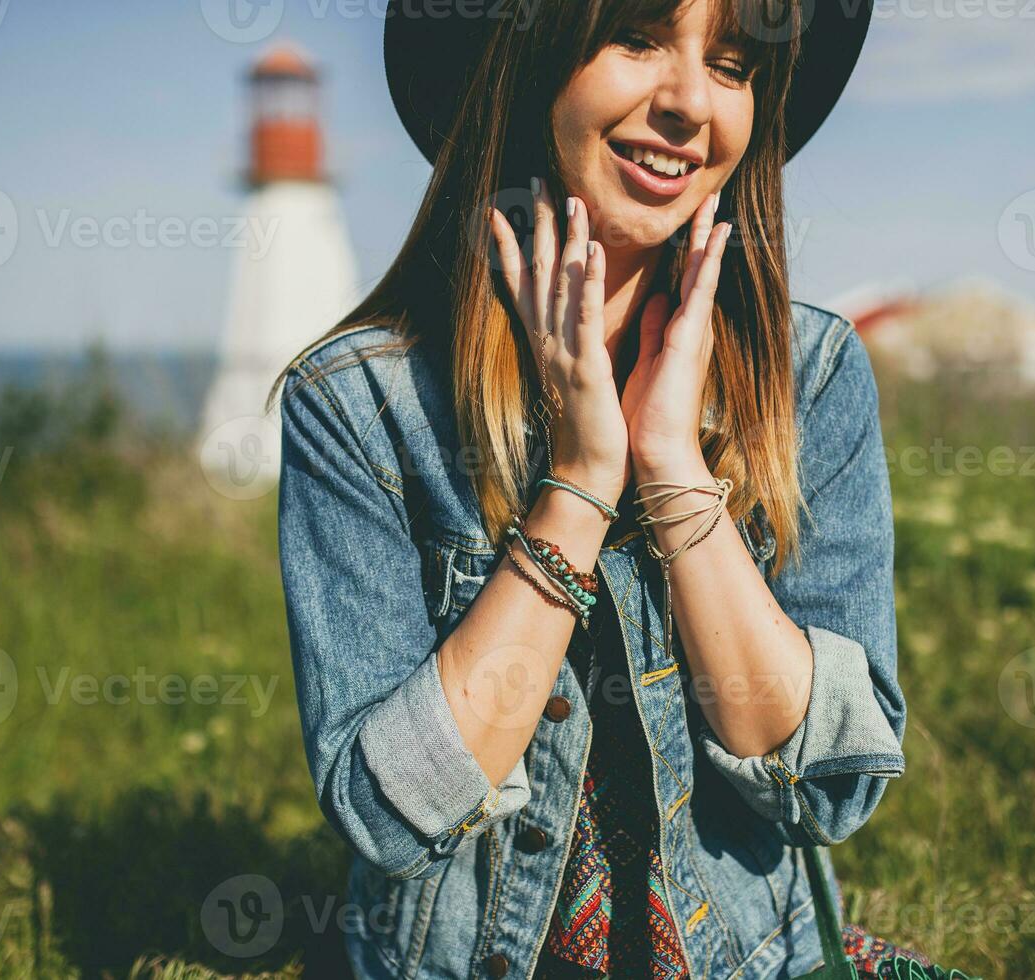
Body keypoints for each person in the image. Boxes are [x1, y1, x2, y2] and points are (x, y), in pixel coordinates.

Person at [275, 0, 949, 975]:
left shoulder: (814, 373)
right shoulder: (358, 403)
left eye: (729, 64)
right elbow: (390, 809)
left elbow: (830, 790)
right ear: (528, 58)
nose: (688, 104)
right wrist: (582, 481)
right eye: (636, 38)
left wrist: (673, 467)